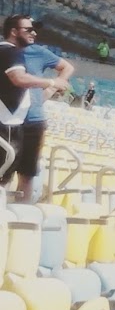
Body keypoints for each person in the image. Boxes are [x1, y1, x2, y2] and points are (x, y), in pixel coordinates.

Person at [1, 15, 65, 197]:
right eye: (28, 30)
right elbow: (19, 78)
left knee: (9, 174)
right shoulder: (11, 52)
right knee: (4, 173)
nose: (34, 33)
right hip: (7, 123)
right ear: (14, 32)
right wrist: (51, 82)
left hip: (12, 121)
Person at [22, 37, 74, 203]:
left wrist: (53, 86)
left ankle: (22, 208)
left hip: (32, 121)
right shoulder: (6, 50)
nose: (33, 33)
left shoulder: (37, 52)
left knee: (27, 172)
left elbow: (67, 67)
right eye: (28, 29)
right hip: (8, 119)